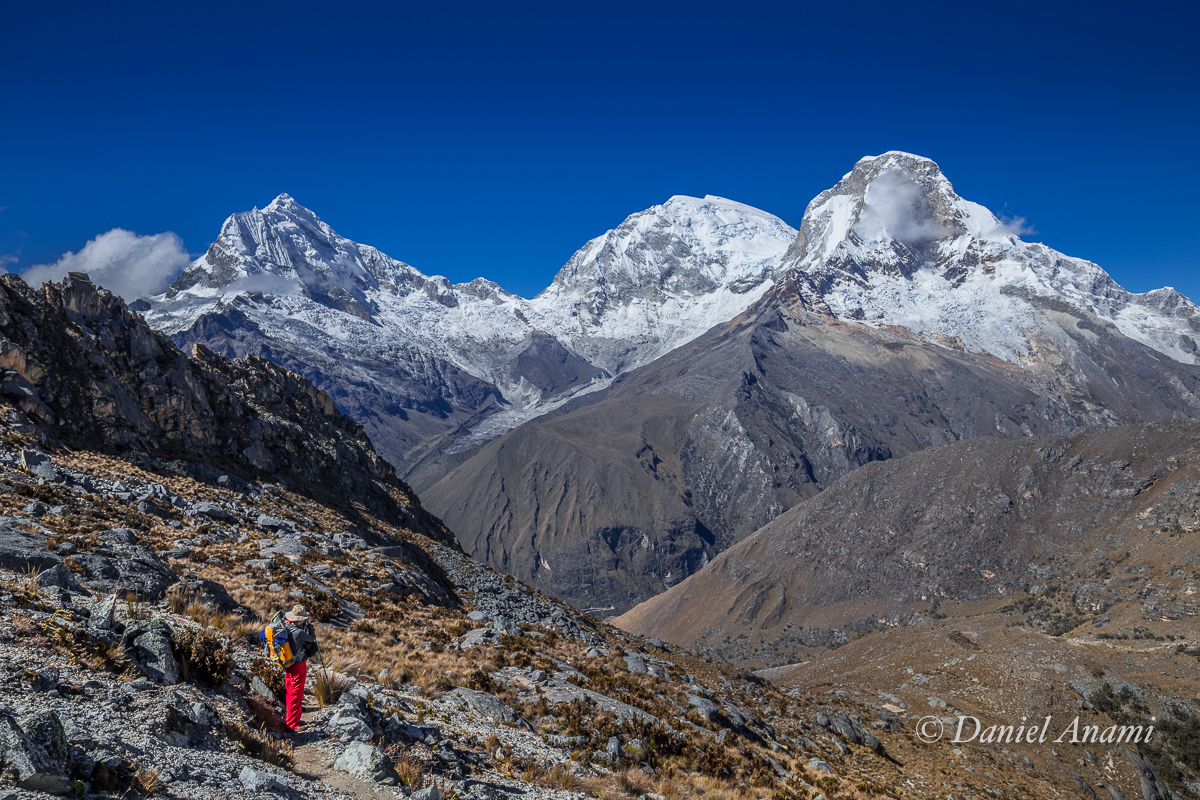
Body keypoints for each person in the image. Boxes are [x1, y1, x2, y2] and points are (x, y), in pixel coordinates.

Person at [282, 604, 319, 733]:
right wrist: (309, 624)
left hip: (288, 664)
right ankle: (291, 725)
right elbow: (312, 639)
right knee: (296, 694)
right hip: (298, 665)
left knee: (290, 691)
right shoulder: (299, 633)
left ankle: (292, 719)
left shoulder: (286, 627)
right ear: (301, 619)